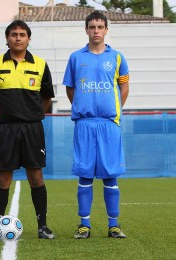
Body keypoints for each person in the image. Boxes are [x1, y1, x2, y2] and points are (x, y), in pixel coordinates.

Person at [0, 20, 55, 240]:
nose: (18, 38)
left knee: (36, 176)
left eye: (22, 34)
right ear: (7, 38)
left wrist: (33, 116)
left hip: (32, 129)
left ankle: (43, 226)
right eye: (13, 34)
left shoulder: (40, 65)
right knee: (3, 179)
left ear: (29, 38)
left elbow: (46, 98)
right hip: (5, 130)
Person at [62, 11, 129, 239]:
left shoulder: (117, 57)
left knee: (110, 175)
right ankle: (84, 225)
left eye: (100, 27)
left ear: (106, 30)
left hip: (109, 123)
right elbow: (71, 90)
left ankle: (114, 225)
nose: (96, 31)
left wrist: (114, 110)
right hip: (85, 123)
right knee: (85, 174)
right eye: (92, 27)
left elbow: (123, 89)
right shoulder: (76, 58)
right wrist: (84, 106)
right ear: (86, 29)